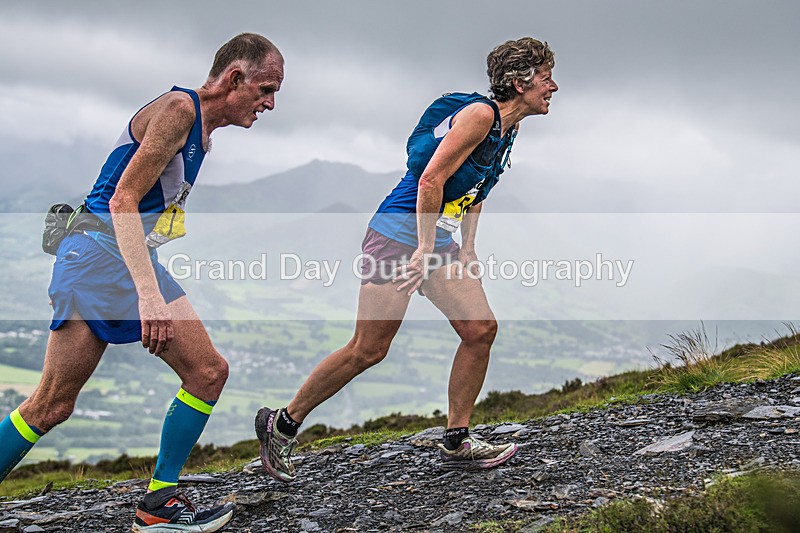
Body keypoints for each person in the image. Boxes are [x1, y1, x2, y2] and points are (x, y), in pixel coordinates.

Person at [0, 33, 284, 533]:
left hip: (100, 256)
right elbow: (122, 202)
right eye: (267, 88)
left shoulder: (202, 132)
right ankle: (159, 507)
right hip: (101, 255)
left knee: (53, 404)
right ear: (235, 78)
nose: (270, 103)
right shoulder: (180, 110)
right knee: (207, 372)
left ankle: (159, 505)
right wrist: (149, 295)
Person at [255, 37, 558, 481]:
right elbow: (431, 179)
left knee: (480, 329)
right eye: (547, 77)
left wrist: (468, 247)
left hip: (435, 238)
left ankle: (458, 440)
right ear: (519, 82)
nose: (554, 86)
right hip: (400, 233)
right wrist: (422, 248)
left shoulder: (507, 128)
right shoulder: (481, 116)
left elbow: (477, 190)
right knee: (368, 349)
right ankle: (281, 425)